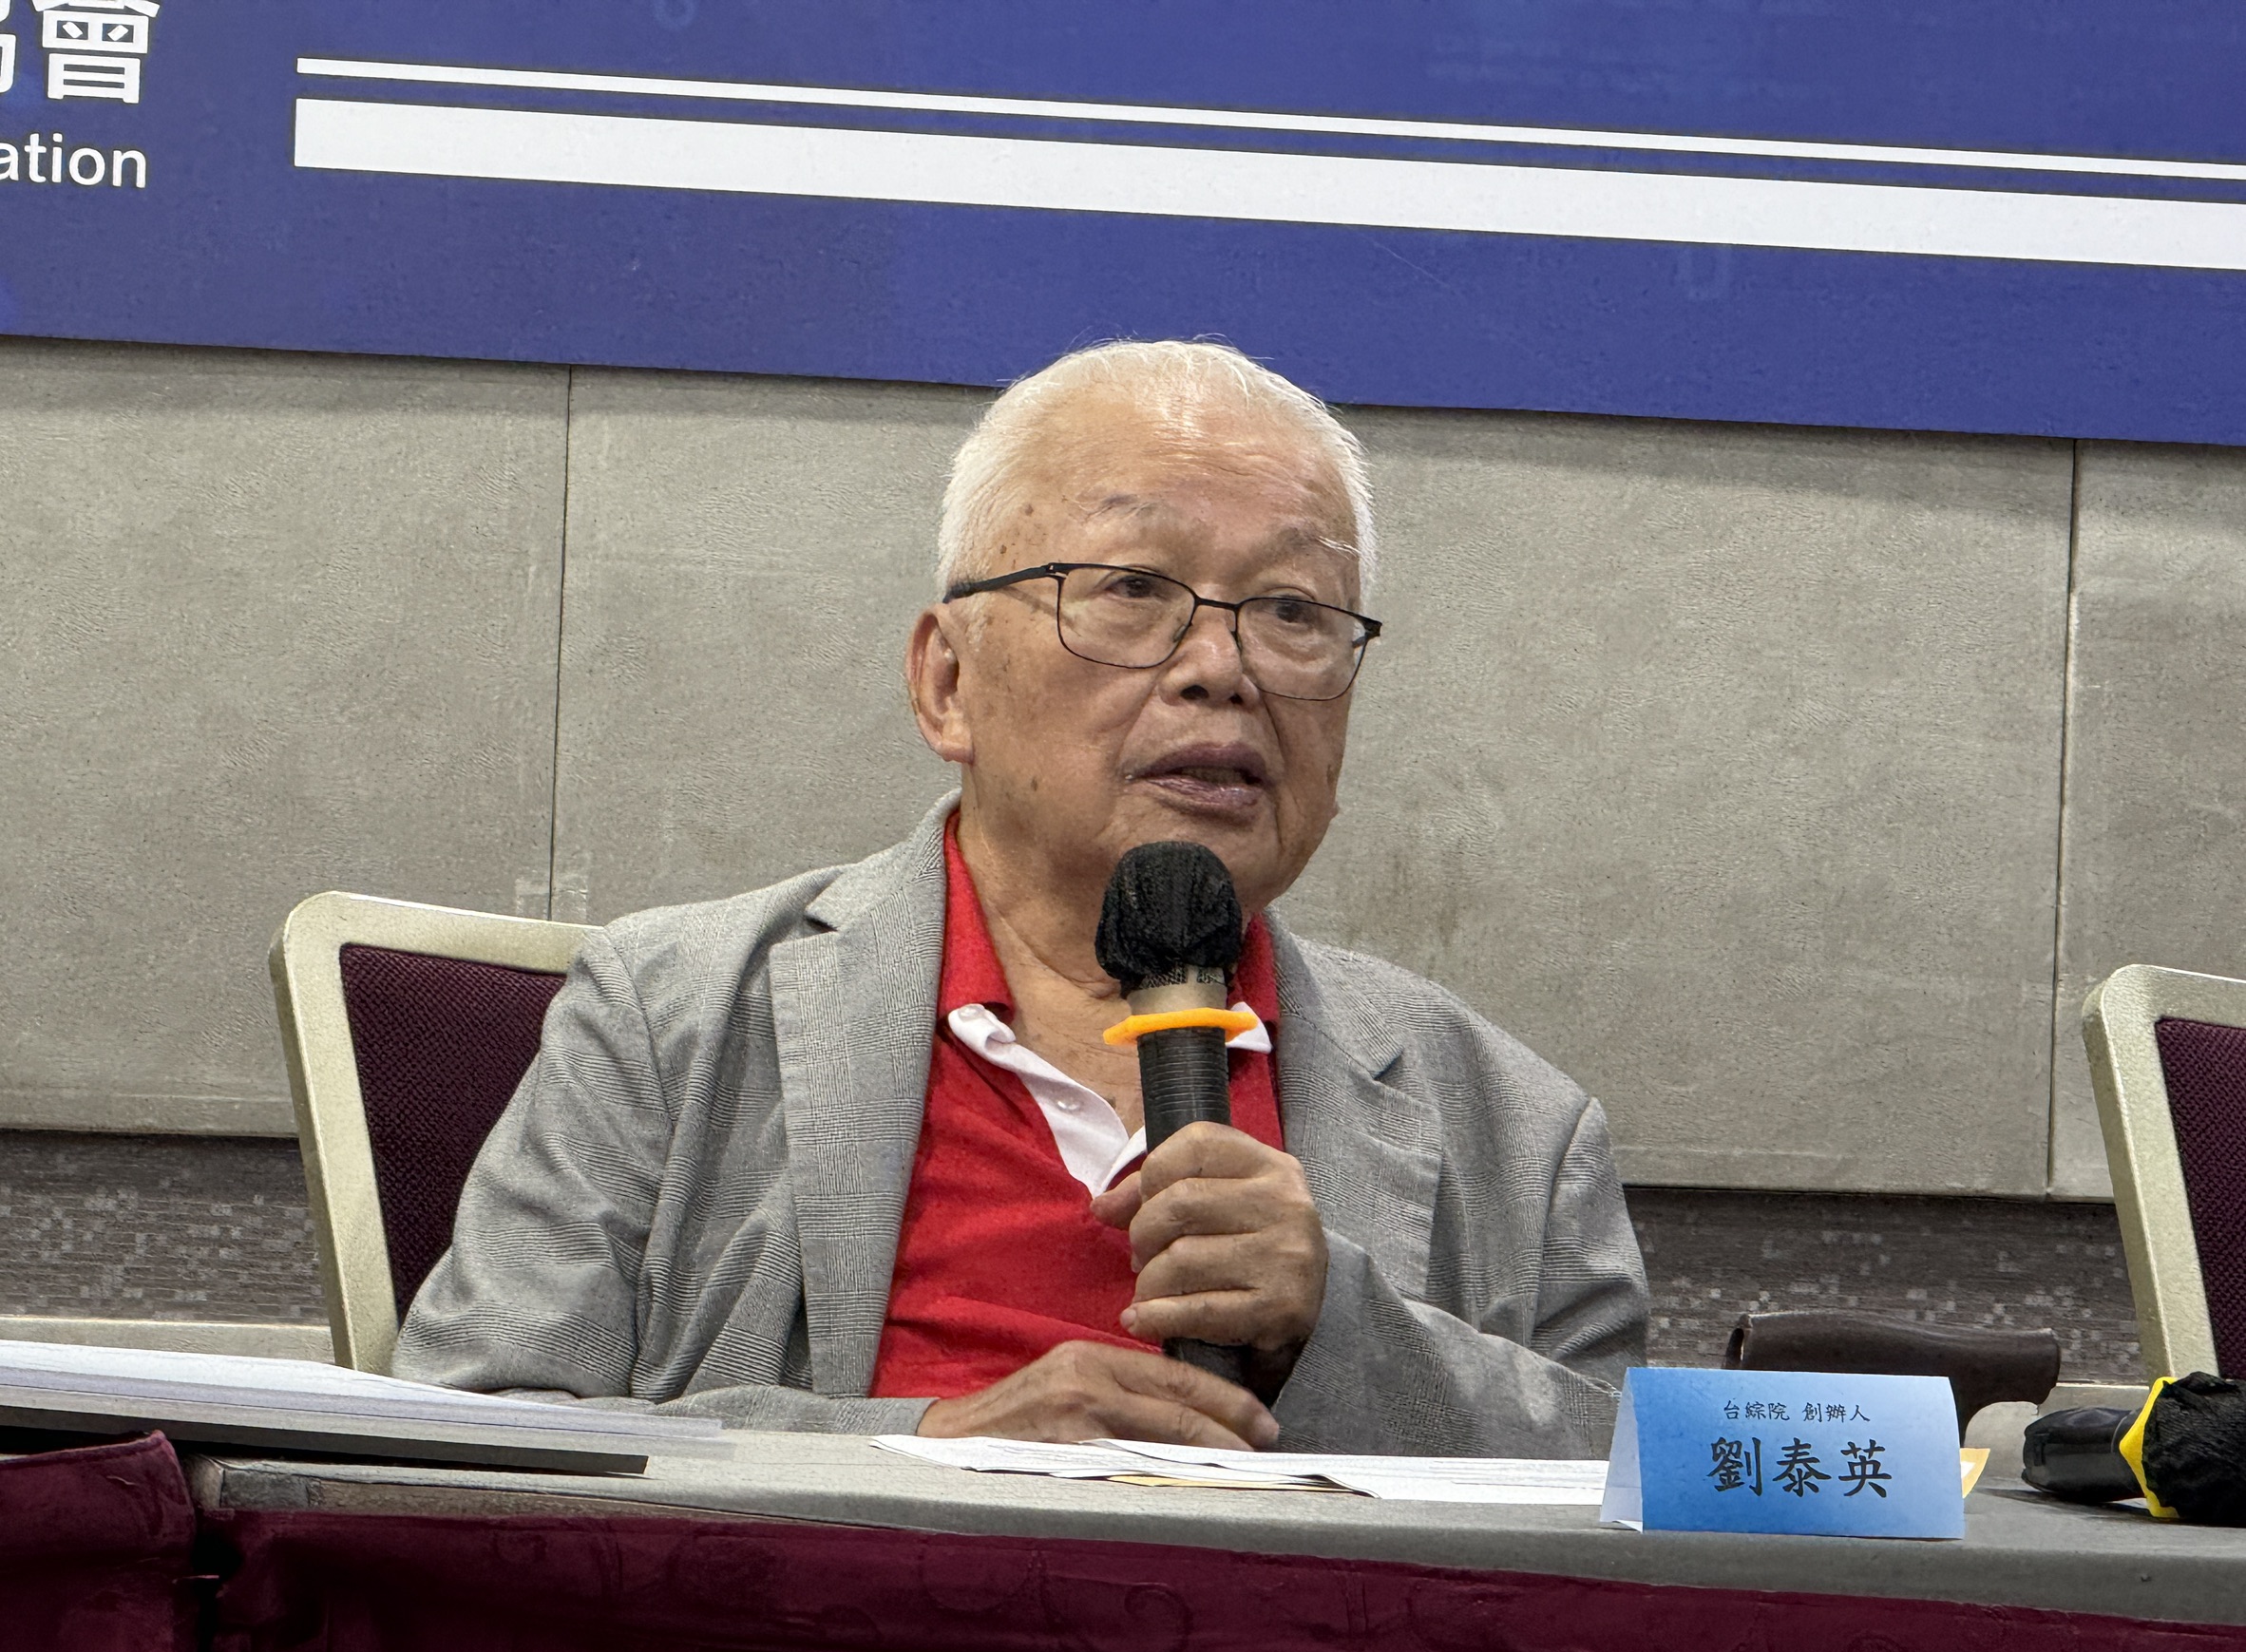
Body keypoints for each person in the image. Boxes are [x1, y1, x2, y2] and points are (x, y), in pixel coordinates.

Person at [396, 340, 1648, 1455]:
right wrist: (930, 1444)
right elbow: (467, 1438)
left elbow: (1646, 1511)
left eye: (1291, 611)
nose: (1222, 669)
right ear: (949, 682)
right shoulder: (668, 1017)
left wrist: (1344, 1333)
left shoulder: (1521, 1135)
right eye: (1134, 589)